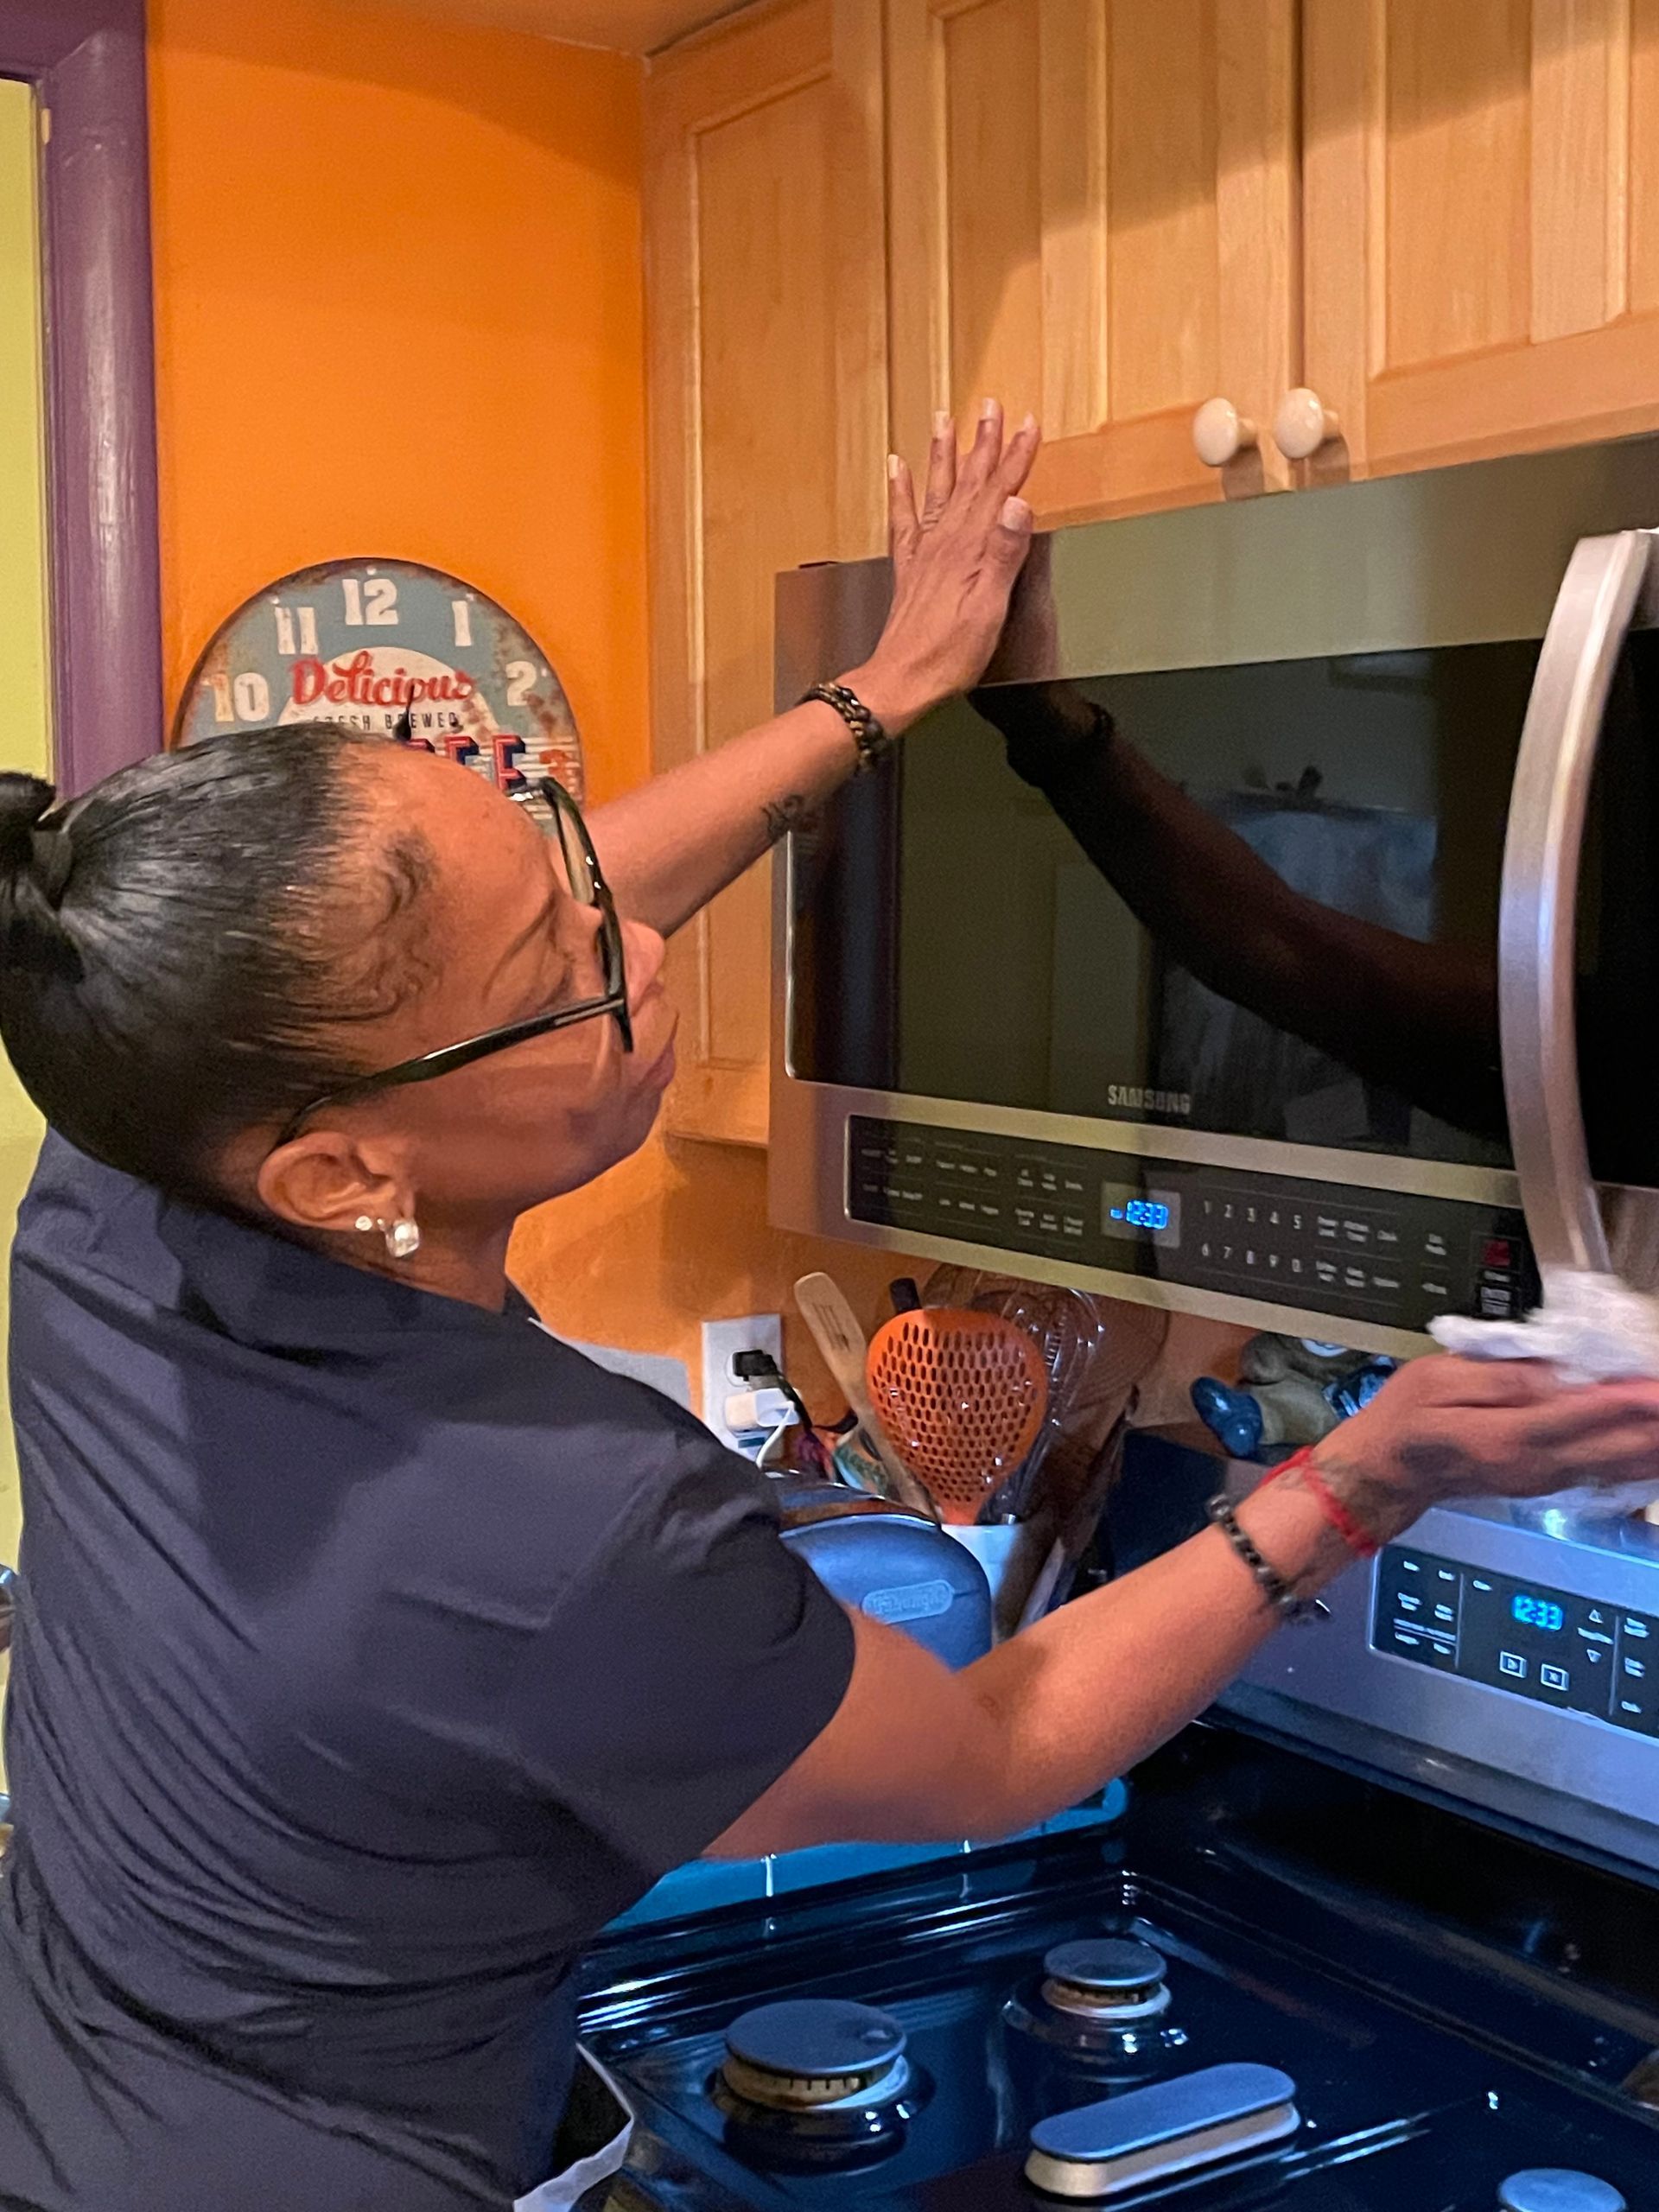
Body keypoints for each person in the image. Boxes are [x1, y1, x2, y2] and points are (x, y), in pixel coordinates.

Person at [2, 404, 1657, 2212]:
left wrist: (891, 685)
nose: (636, 946)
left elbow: (469, 957)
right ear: (340, 1174)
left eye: (568, 864)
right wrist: (1368, 1468)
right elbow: (997, 1747)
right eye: (569, 974)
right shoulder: (571, 1522)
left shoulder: (126, 1161)